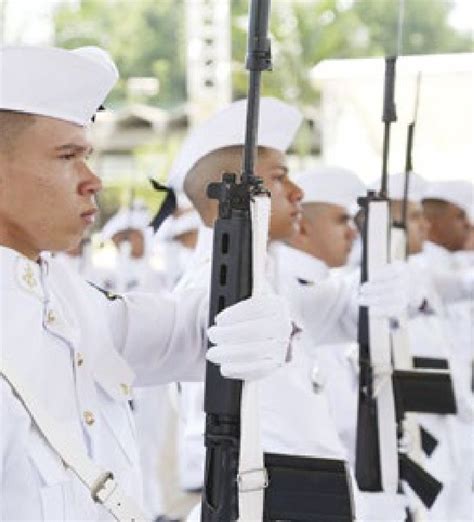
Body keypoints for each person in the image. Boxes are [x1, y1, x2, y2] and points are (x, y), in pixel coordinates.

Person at [0, 45, 293, 521]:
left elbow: (189, 330)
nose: (92, 180)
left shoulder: (63, 299)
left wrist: (256, 311)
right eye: (68, 155)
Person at [167, 98, 412, 520]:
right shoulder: (213, 291)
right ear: (237, 193)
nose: (298, 191)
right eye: (280, 178)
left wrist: (389, 280)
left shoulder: (274, 280)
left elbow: (344, 308)